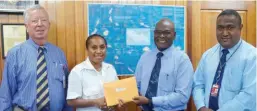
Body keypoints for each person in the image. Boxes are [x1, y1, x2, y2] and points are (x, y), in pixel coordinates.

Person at [0, 5, 71, 111]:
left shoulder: (59, 53)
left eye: (43, 20)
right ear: (27, 26)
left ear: (49, 25)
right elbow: (6, 93)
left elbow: (66, 88)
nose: (40, 24)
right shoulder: (15, 54)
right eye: (34, 21)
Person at [193, 9, 256, 111]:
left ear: (240, 28)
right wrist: (201, 107)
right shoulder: (208, 55)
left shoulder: (252, 56)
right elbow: (198, 85)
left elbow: (249, 96)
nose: (225, 33)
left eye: (230, 27)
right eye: (220, 28)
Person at [133, 18, 194, 111]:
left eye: (166, 32)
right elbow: (135, 85)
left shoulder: (182, 60)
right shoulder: (144, 57)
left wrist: (151, 101)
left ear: (174, 35)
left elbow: (182, 96)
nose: (161, 36)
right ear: (154, 34)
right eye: (158, 32)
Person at [66, 34, 125, 111]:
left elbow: (117, 93)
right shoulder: (77, 71)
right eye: (94, 48)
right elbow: (71, 101)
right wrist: (95, 102)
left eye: (102, 47)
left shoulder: (110, 69)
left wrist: (119, 103)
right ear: (87, 50)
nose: (98, 51)